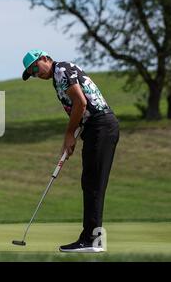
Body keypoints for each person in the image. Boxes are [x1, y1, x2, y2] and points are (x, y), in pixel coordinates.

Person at [21, 49, 120, 252]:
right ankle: (91, 239)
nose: (35, 73)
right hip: (95, 128)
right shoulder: (58, 77)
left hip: (101, 126)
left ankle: (92, 241)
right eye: (31, 73)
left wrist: (69, 134)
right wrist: (74, 135)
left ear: (45, 58)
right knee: (90, 182)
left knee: (93, 183)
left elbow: (80, 103)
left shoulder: (61, 70)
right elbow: (80, 108)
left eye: (34, 67)